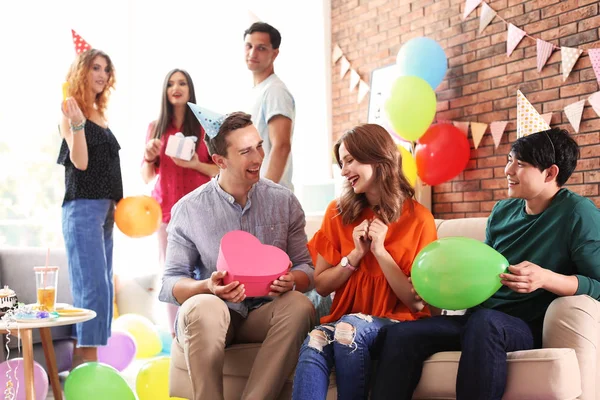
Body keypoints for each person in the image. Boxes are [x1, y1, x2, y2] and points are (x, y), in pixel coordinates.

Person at [372, 128, 600, 400]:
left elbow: (597, 284)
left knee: (485, 322)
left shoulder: (578, 213)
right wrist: (439, 285)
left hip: (523, 326)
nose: (508, 170)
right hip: (477, 319)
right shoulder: (502, 212)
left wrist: (546, 278)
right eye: (509, 159)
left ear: (550, 173)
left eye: (520, 164)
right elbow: (480, 273)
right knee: (401, 335)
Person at [158, 107, 315, 400]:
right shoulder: (189, 209)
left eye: (259, 146)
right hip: (214, 315)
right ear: (220, 161)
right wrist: (208, 287)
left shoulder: (284, 201)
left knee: (299, 306)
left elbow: (307, 269)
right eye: (245, 152)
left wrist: (291, 279)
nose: (258, 158)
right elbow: (170, 283)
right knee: (204, 306)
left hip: (264, 313)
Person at [292, 124, 437, 400]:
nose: (344, 171)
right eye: (341, 163)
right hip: (346, 320)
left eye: (350, 161)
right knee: (315, 340)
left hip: (399, 323)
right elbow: (321, 286)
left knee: (348, 330)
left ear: (377, 158)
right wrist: (354, 257)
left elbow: (417, 302)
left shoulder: (419, 219)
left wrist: (381, 252)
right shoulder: (337, 212)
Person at [57, 49, 122, 367]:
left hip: (105, 213)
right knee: (92, 288)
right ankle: (87, 370)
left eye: (106, 69)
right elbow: (80, 162)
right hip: (82, 209)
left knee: (104, 286)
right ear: (82, 72)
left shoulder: (101, 113)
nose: (102, 74)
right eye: (96, 67)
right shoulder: (72, 114)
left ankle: (86, 368)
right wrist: (79, 124)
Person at [141, 69, 218, 335]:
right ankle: (177, 333)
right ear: (165, 90)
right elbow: (147, 175)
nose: (176, 87)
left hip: (201, 210)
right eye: (171, 83)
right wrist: (150, 156)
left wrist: (195, 163)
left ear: (190, 89)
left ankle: (203, 326)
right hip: (166, 212)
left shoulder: (204, 127)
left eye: (182, 83)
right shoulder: (155, 128)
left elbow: (221, 172)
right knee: (172, 273)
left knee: (205, 269)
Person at [244, 22, 295, 190]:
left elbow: (281, 146)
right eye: (249, 46)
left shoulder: (275, 91)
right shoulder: (256, 91)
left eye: (261, 48)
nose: (252, 53)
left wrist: (264, 193)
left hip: (271, 198)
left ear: (275, 54)